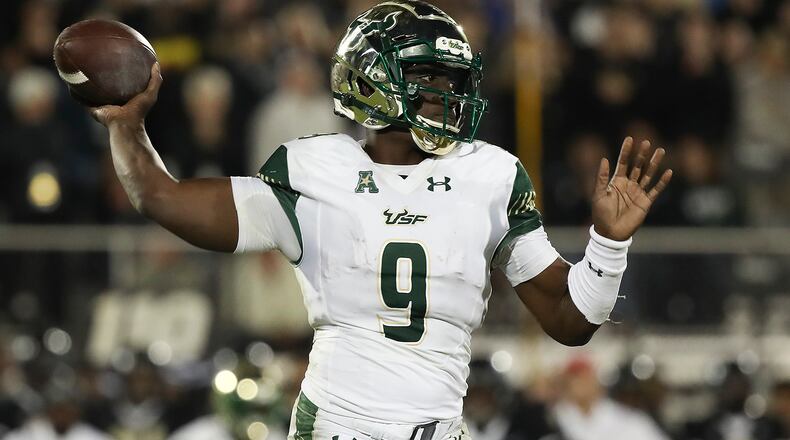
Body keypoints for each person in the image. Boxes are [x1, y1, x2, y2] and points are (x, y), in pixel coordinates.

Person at [87, 1, 672, 438]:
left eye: (451, 80)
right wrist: (127, 126)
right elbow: (162, 198)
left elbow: (570, 320)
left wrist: (607, 246)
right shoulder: (313, 168)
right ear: (371, 81)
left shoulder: (489, 174)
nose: (446, 94)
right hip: (339, 426)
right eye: (428, 79)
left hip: (439, 429)